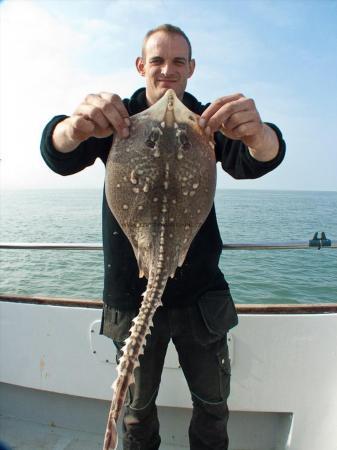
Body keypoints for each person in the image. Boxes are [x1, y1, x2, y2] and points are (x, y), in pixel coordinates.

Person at [41, 24, 285, 450]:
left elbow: (255, 159)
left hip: (200, 299)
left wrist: (261, 135)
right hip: (129, 294)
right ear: (141, 66)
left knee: (212, 408)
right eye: (157, 60)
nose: (167, 70)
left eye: (178, 61)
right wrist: (73, 128)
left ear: (191, 68)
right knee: (136, 415)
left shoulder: (207, 121)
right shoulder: (119, 121)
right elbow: (58, 154)